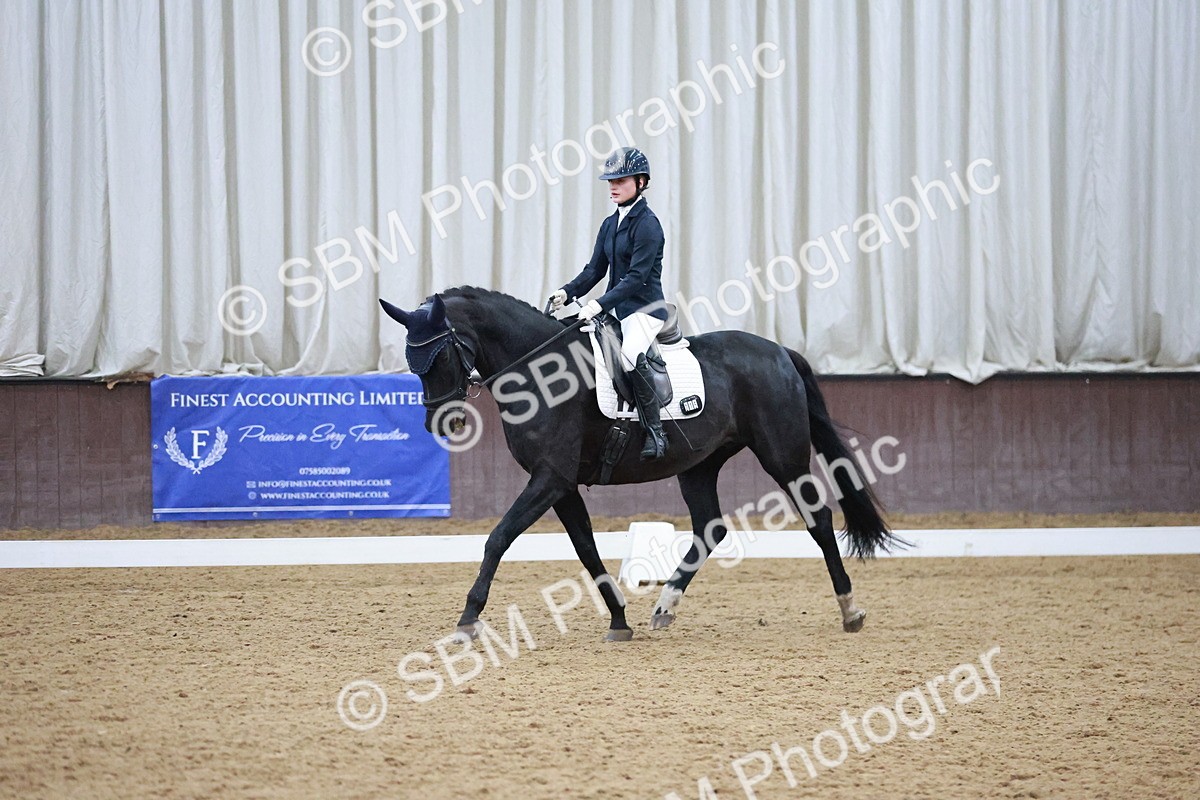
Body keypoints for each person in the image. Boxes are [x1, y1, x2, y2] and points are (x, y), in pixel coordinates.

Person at [549, 147, 669, 460]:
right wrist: (567, 292)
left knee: (629, 356)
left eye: (621, 180)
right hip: (615, 308)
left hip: (644, 310)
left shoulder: (648, 225)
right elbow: (594, 270)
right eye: (610, 181)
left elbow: (636, 278)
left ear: (641, 182)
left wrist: (599, 304)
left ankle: (655, 433)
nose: (613, 186)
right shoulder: (609, 223)